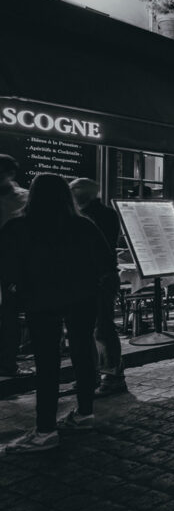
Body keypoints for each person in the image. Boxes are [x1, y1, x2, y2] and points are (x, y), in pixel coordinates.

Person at [1, 174, 116, 453]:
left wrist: (17, 295)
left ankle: (45, 430)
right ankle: (84, 413)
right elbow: (106, 261)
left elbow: (7, 268)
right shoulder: (83, 225)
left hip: (41, 301)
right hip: (83, 298)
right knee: (82, 354)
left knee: (47, 364)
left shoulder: (18, 226)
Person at [69, 178, 126, 397]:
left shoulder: (99, 215)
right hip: (90, 276)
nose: (71, 193)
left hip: (101, 277)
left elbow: (96, 249)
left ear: (87, 194)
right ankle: (91, 374)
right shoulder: (85, 213)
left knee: (102, 326)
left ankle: (113, 376)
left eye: (74, 189)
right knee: (86, 328)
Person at [0, 154, 31, 378]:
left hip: (12, 267)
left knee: (9, 317)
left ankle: (8, 364)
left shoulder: (24, 198)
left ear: (10, 174)